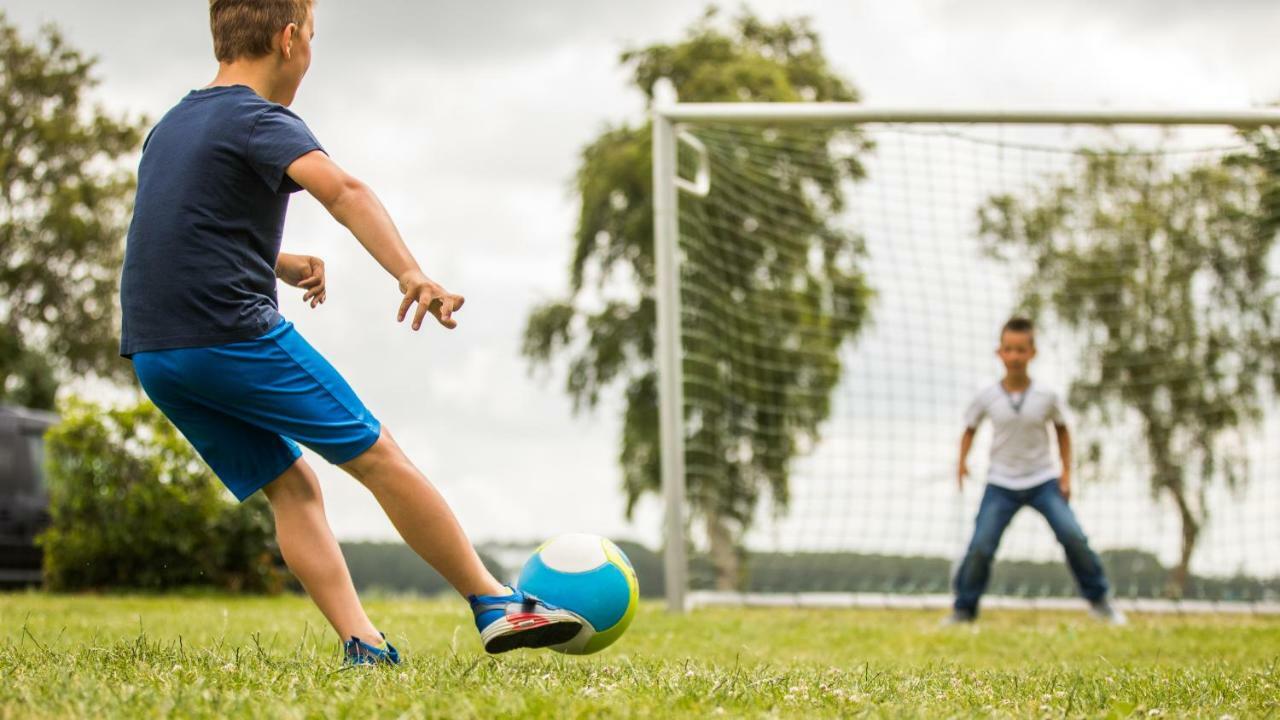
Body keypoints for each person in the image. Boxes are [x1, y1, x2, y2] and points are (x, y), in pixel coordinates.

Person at [119, 0, 583, 664]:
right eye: (311, 35)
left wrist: (273, 262)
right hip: (230, 335)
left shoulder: (173, 124)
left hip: (158, 352)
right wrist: (410, 272)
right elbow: (344, 191)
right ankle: (494, 602)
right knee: (377, 455)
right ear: (289, 39)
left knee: (293, 485)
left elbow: (180, 226)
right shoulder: (259, 119)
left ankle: (363, 644)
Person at [948, 317, 1125, 625]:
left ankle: (1100, 601)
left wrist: (1066, 474)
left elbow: (1063, 431)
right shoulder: (986, 396)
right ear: (999, 353)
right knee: (980, 545)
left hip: (1043, 480)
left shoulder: (1047, 395)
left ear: (1032, 353)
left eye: (1021, 350)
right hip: (1000, 483)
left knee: (1073, 537)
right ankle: (963, 610)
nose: (1014, 356)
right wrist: (961, 462)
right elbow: (969, 429)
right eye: (1008, 350)